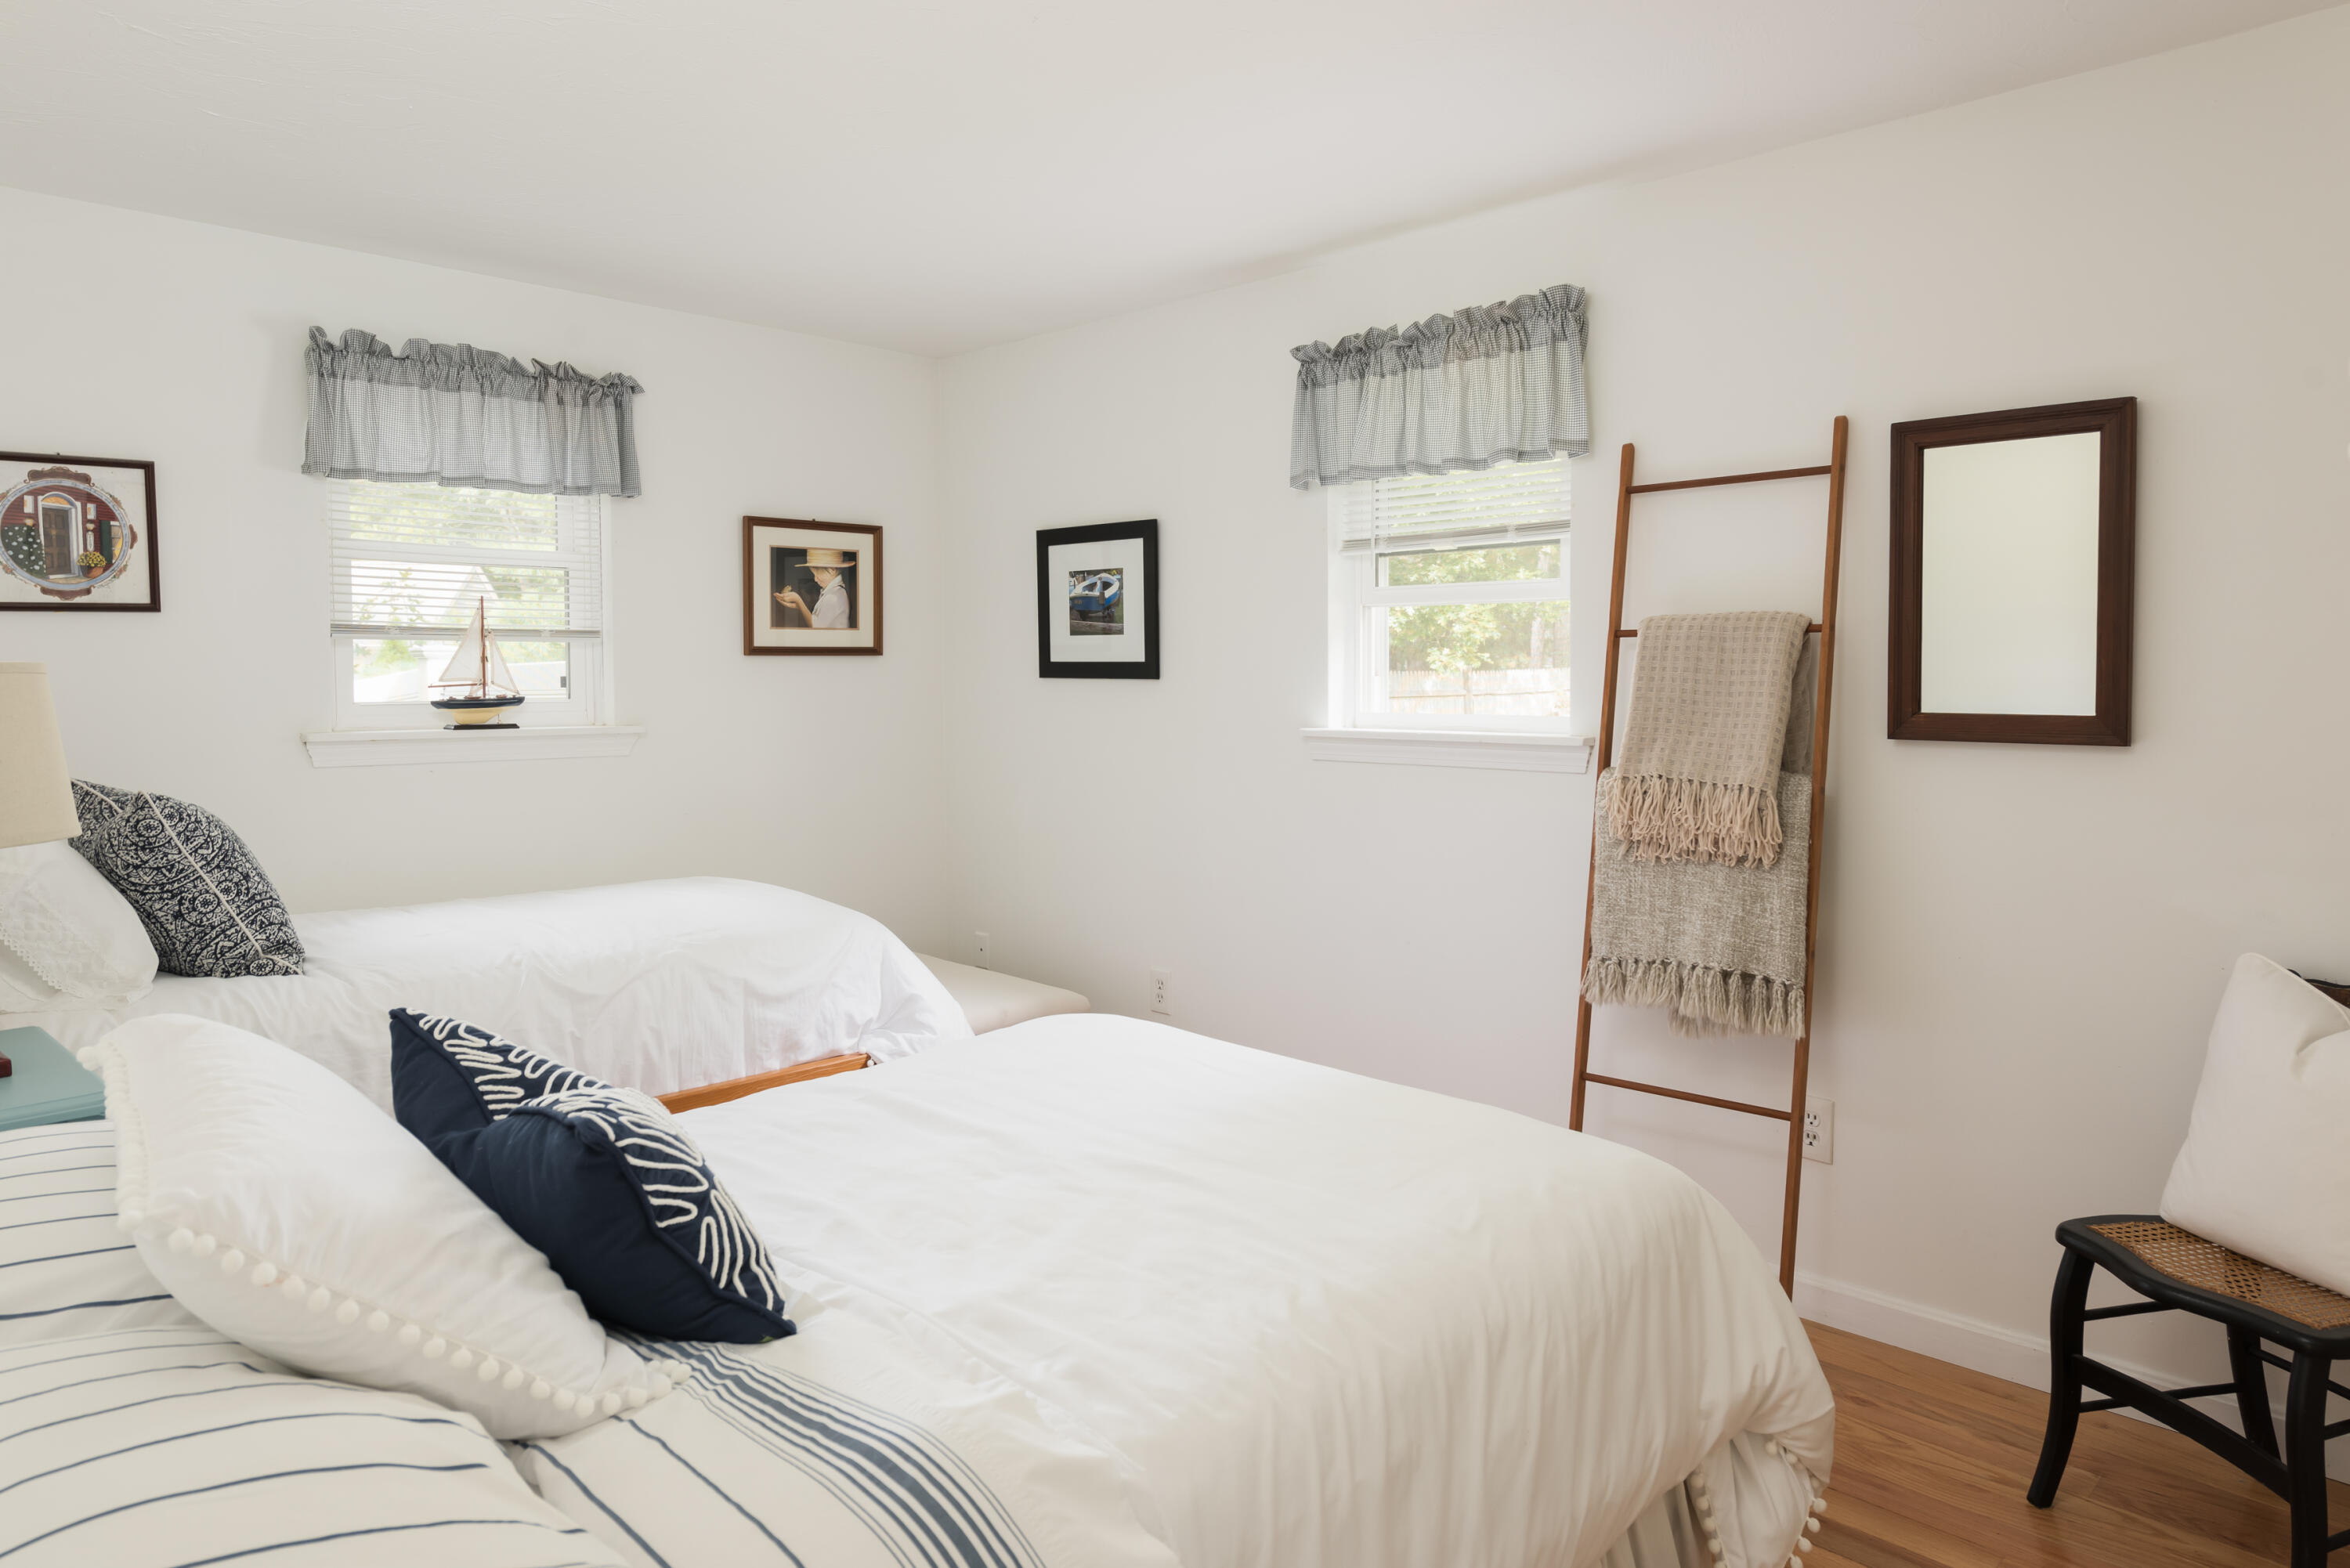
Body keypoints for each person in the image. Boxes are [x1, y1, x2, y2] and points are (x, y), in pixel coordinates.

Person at [773, 547, 854, 629]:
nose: (815, 579)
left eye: (817, 574)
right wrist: (799, 606)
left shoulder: (834, 596)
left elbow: (815, 627)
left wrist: (799, 601)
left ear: (832, 570)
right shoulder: (834, 592)